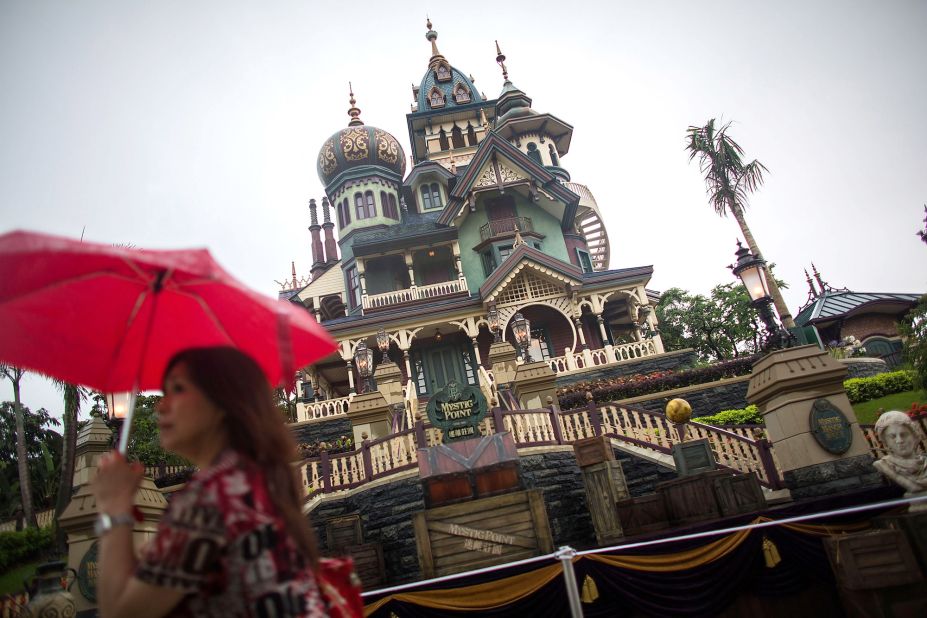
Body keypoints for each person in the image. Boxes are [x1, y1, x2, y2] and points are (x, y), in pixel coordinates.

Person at [91, 346, 360, 617]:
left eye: (178, 389)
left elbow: (121, 612)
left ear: (221, 402)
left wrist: (114, 506)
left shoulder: (211, 496)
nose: (162, 405)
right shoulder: (257, 481)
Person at [872, 410, 927, 510]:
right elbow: (914, 487)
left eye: (904, 434)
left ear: (914, 436)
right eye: (892, 437)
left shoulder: (924, 462)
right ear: (886, 442)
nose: (899, 441)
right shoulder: (884, 465)